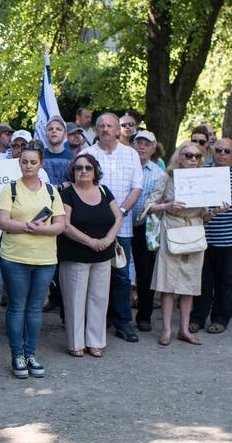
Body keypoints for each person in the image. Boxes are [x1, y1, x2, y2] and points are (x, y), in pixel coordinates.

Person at [0, 141, 65, 378]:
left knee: (35, 308)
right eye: (24, 161)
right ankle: (17, 355)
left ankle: (31, 353)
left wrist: (41, 230)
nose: (28, 165)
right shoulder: (10, 189)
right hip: (14, 257)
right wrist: (27, 226)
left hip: (45, 259)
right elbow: (2, 221)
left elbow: (60, 225)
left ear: (41, 164)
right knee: (17, 306)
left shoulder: (50, 190)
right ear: (19, 162)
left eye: (33, 162)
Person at [81, 113, 144, 342]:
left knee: (121, 276)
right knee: (92, 275)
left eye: (109, 126)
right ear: (96, 130)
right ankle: (94, 321)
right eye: (101, 126)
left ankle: (122, 322)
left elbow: (137, 188)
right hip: (92, 228)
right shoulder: (86, 155)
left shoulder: (130, 155)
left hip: (122, 227)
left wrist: (122, 212)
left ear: (118, 129)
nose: (105, 129)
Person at [190, 139, 232, 333]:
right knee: (202, 281)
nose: (221, 153)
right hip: (203, 238)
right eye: (218, 150)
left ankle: (220, 318)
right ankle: (197, 318)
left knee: (226, 281)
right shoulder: (202, 172)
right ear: (212, 151)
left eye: (226, 151)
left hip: (230, 239)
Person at [143, 143, 208, 345]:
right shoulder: (167, 176)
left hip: (195, 229)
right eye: (188, 155)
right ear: (179, 157)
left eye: (197, 156)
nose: (193, 160)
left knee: (190, 282)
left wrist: (217, 211)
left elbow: (205, 215)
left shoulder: (204, 179)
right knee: (168, 282)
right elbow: (148, 206)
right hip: (171, 228)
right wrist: (168, 205)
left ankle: (185, 330)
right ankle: (167, 330)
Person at [57, 154, 121, 357]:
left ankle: (95, 342)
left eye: (88, 168)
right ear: (73, 172)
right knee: (75, 301)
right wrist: (91, 242)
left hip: (103, 254)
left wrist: (109, 239)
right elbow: (65, 225)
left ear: (95, 171)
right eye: (78, 168)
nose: (83, 171)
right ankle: (76, 344)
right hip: (75, 255)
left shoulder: (104, 190)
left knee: (99, 299)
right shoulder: (67, 194)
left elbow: (118, 216)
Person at [131, 130, 164, 331]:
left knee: (145, 273)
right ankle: (116, 314)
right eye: (139, 142)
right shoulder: (125, 167)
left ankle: (144, 316)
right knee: (119, 272)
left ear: (153, 148)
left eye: (146, 143)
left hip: (146, 228)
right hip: (122, 225)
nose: (142, 146)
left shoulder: (159, 173)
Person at [41, 116, 74, 188]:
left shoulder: (73, 157)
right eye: (50, 129)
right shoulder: (39, 156)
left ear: (65, 135)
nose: (54, 131)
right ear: (46, 134)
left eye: (58, 129)